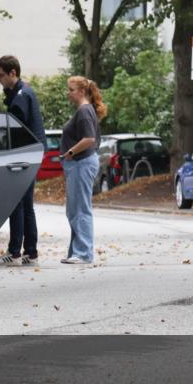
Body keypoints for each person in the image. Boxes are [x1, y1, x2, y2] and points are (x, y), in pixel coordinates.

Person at [0, 55, 43, 266]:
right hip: (32, 152)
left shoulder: (20, 96)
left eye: (1, 75)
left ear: (13, 73)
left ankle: (14, 252)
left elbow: (12, 130)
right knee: (26, 205)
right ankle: (30, 252)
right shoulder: (24, 91)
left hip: (24, 154)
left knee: (17, 203)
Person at [60, 76, 107, 264]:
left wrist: (70, 152)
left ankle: (83, 253)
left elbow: (89, 139)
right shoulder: (84, 110)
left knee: (80, 209)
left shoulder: (85, 111)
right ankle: (76, 252)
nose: (68, 93)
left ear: (81, 91)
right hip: (79, 163)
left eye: (71, 89)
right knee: (74, 209)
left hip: (82, 162)